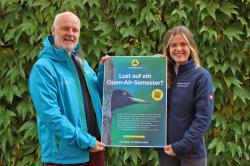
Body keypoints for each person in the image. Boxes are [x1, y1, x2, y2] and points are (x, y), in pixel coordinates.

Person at [28, 11, 109, 166]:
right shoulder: (43, 68)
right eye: (65, 28)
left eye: (75, 30)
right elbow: (50, 115)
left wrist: (105, 71)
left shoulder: (80, 61)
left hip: (95, 148)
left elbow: (98, 94)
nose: (70, 33)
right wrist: (85, 141)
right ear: (53, 30)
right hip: (66, 156)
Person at [157, 26, 214, 166]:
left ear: (191, 47)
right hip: (166, 151)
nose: (178, 49)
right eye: (173, 45)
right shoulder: (162, 74)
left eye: (183, 44)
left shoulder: (201, 76)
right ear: (167, 49)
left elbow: (203, 119)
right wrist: (152, 65)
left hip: (191, 154)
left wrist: (180, 146)